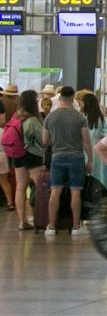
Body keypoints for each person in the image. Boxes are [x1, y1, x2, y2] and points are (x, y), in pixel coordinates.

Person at [42, 85, 91, 236]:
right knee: (76, 192)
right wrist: (90, 160)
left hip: (57, 156)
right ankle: (76, 227)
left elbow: (45, 141)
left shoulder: (50, 116)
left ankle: (51, 227)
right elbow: (86, 141)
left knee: (55, 191)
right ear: (72, 99)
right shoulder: (80, 117)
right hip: (76, 157)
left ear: (60, 98)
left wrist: (55, 142)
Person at [8, 90, 46, 231]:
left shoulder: (15, 117)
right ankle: (41, 219)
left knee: (20, 187)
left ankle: (22, 222)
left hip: (16, 154)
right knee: (41, 186)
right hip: (32, 155)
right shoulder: (32, 120)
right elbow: (43, 141)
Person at [80, 92, 107, 184]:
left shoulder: (82, 117)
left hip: (83, 149)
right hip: (98, 149)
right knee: (99, 175)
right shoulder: (101, 118)